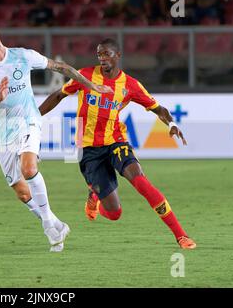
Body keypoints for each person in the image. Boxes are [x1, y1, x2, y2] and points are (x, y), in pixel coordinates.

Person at [38, 38, 196, 249]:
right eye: (99, 55)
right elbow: (58, 95)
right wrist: (34, 115)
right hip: (88, 149)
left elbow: (158, 109)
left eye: (106, 54)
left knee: (141, 182)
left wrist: (171, 124)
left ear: (118, 56)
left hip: (116, 141)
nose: (102, 59)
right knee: (114, 213)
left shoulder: (130, 85)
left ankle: (181, 235)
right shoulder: (84, 75)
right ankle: (95, 193)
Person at [0, 20, 112, 252]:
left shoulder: (23, 56)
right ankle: (56, 224)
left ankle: (48, 227)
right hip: (3, 130)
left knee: (28, 168)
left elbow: (62, 68)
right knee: (22, 192)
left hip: (29, 121)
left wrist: (91, 86)